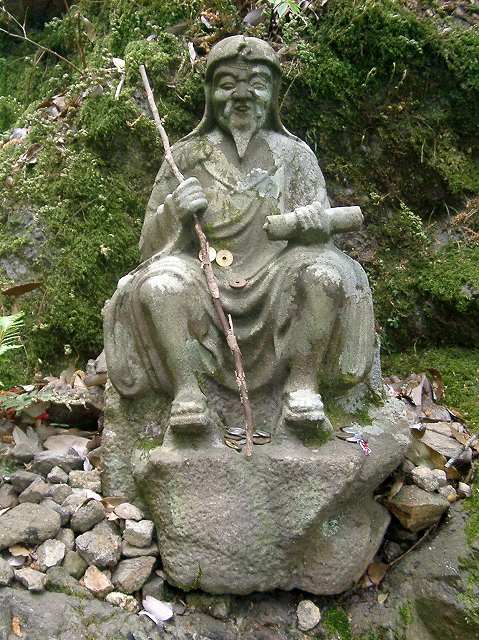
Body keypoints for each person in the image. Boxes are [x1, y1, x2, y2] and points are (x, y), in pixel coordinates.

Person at [104, 36, 377, 435]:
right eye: (229, 84)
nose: (243, 96)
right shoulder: (186, 156)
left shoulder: (295, 155)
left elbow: (320, 232)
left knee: (324, 275)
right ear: (210, 94)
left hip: (277, 275)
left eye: (257, 84)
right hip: (204, 274)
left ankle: (302, 386)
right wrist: (174, 212)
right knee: (159, 286)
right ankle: (188, 393)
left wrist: (314, 227)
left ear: (273, 94)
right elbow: (148, 248)